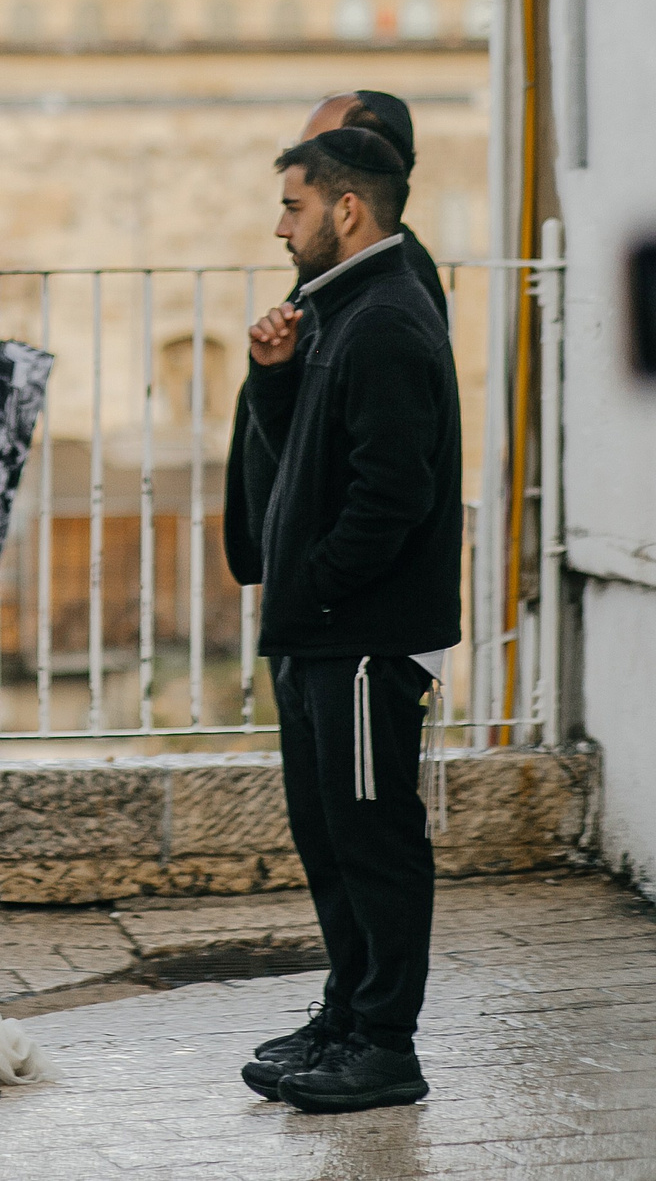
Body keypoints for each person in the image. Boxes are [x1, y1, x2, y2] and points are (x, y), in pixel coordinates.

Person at [235, 128, 459, 1113]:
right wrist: (276, 379)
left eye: (292, 206)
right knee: (329, 838)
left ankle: (383, 1045)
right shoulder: (339, 315)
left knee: (372, 841)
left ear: (346, 209)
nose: (281, 226)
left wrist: (319, 590)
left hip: (358, 641)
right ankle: (344, 1017)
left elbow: (390, 495)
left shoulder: (384, 321)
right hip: (321, 633)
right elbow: (306, 469)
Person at [226, 90, 446, 585]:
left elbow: (390, 482)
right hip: (311, 597)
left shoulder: (390, 295)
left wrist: (318, 582)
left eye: (316, 147)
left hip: (340, 614)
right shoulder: (340, 275)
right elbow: (313, 434)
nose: (303, 161)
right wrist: (273, 372)